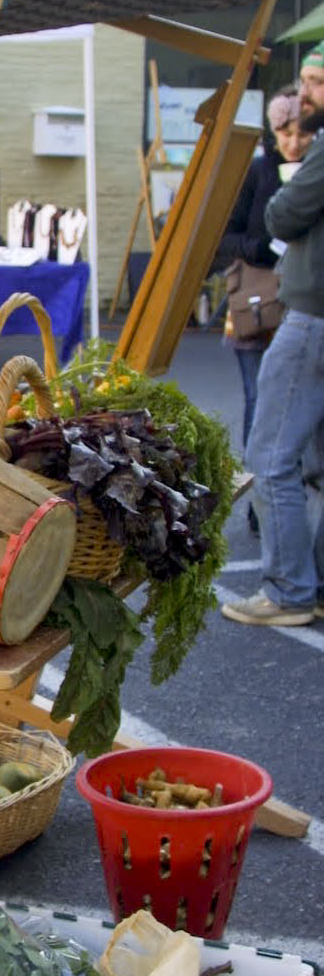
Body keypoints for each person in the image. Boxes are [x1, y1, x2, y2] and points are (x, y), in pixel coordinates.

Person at [222, 41, 324, 627]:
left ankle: (288, 590)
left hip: (311, 315)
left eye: (312, 82)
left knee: (271, 452)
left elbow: (280, 216)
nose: (302, 91)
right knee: (316, 458)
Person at [216, 87, 309, 485]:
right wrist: (260, 248)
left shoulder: (316, 173)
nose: (293, 142)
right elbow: (225, 236)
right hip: (256, 305)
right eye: (284, 132)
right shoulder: (258, 171)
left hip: (305, 307)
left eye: (302, 133)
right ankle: (259, 491)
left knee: (302, 402)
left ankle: (293, 483)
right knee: (258, 397)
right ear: (273, 131)